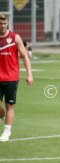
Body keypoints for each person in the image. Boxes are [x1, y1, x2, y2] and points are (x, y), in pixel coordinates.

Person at [0, 13, 33, 142]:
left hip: (11, 78)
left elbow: (24, 56)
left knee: (9, 106)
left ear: (7, 23)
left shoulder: (15, 38)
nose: (2, 26)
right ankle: (4, 117)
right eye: (0, 24)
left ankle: (6, 132)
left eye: (4, 23)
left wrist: (29, 74)